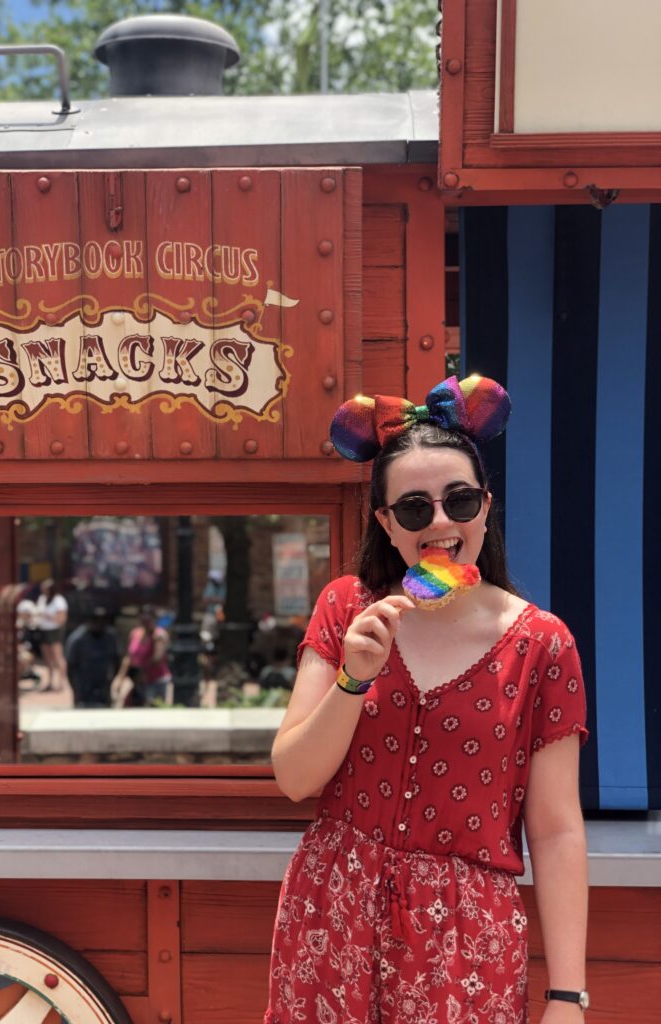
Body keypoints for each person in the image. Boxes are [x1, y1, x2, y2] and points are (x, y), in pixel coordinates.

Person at [266, 376, 590, 1024]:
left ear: (486, 508)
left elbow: (555, 830)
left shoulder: (542, 645)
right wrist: (354, 678)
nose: (440, 521)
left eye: (459, 501)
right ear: (387, 525)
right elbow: (295, 778)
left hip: (467, 936)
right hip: (333, 912)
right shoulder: (345, 609)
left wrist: (566, 995)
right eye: (414, 509)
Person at [114, 605, 172, 706]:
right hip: (138, 681)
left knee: (153, 709)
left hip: (156, 680)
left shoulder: (159, 635)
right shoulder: (135, 633)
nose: (146, 620)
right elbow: (129, 657)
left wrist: (142, 671)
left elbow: (157, 659)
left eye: (149, 617)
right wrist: (120, 678)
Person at [65, 608, 121, 708]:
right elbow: (70, 667)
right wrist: (76, 690)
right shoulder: (78, 639)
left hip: (103, 686)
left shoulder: (110, 637)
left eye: (102, 621)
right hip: (83, 687)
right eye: (96, 621)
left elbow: (117, 660)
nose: (99, 624)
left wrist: (111, 681)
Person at [36, 579, 69, 693]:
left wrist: (47, 615)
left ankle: (62, 682)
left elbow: (61, 619)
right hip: (43, 629)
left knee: (57, 656)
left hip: (54, 631)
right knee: (47, 657)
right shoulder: (42, 599)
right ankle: (50, 682)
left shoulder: (59, 601)